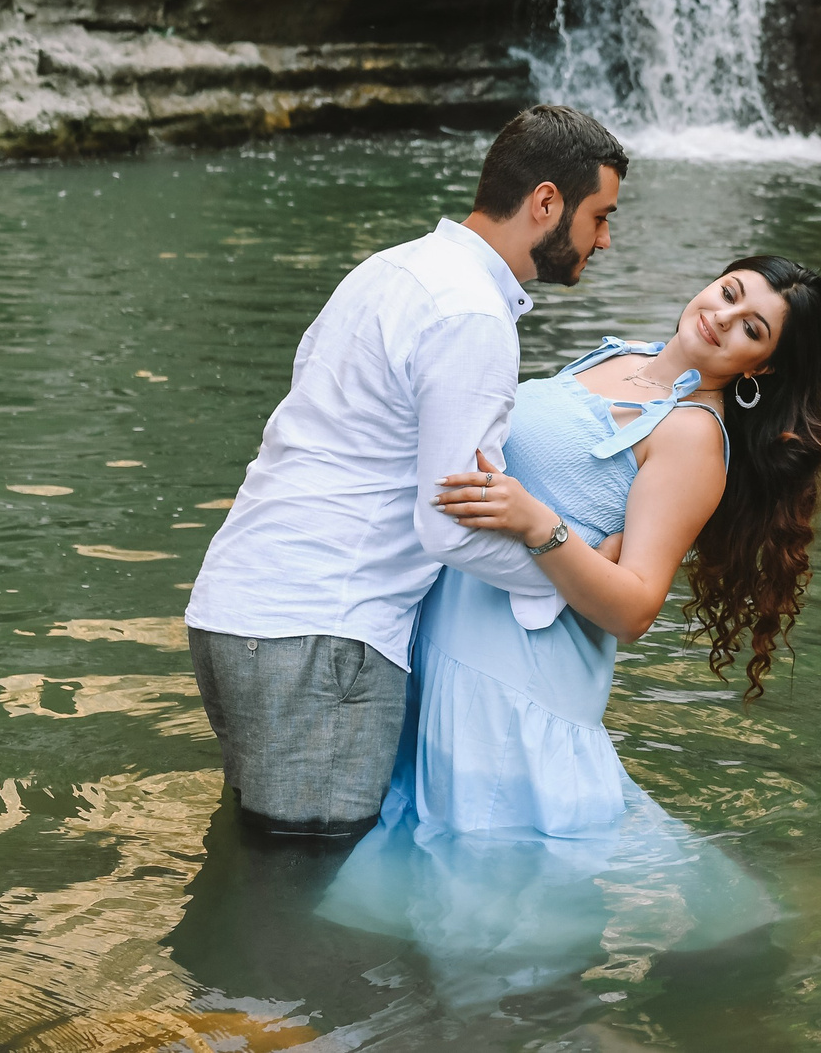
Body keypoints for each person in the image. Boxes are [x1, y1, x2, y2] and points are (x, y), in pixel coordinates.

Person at [318, 255, 821, 1006]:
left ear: (763, 365)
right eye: (729, 293)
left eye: (751, 327)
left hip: (517, 685)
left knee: (488, 943)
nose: (723, 318)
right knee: (426, 910)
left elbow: (635, 607)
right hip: (453, 640)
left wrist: (541, 523)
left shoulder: (695, 437)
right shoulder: (617, 354)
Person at [182, 104, 629, 838]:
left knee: (262, 861)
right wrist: (572, 572)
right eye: (600, 216)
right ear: (547, 202)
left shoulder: (394, 268)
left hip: (234, 611)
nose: (604, 239)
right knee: (308, 898)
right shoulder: (474, 317)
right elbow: (450, 524)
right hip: (323, 635)